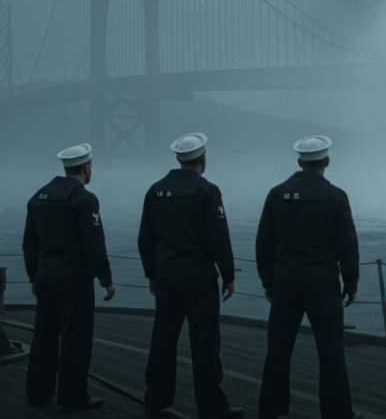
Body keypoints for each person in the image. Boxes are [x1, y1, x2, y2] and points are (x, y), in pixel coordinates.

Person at [138, 132, 243, 419]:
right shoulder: (208, 191)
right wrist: (229, 274)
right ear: (203, 158)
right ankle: (212, 407)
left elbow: (145, 238)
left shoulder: (155, 190)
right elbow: (218, 238)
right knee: (205, 344)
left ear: (178, 158)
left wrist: (152, 273)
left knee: (162, 341)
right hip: (199, 279)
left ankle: (156, 402)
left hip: (167, 277)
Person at [256, 135, 361, 419]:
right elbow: (347, 244)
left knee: (278, 350)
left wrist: (268, 282)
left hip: (285, 282)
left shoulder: (277, 194)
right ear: (326, 161)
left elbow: (263, 243)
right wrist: (351, 283)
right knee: (331, 353)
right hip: (323, 283)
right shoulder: (336, 196)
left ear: (299, 162)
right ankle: (337, 414)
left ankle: (271, 411)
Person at [23, 143, 116, 410]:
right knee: (76, 338)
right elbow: (94, 245)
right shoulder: (84, 199)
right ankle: (73, 395)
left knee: (44, 336)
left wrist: (33, 276)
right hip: (74, 279)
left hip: (45, 277)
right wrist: (106, 279)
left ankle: (37, 392)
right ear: (86, 168)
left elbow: (29, 242)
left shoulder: (38, 196)